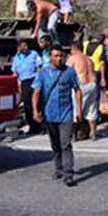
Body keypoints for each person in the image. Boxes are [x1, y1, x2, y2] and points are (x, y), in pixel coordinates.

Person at [32, 46, 82, 186]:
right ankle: (58, 168)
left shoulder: (69, 72)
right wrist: (35, 111)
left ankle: (68, 173)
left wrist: (79, 110)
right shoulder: (43, 73)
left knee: (65, 143)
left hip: (66, 114)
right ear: (50, 58)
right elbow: (36, 92)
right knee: (55, 144)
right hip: (49, 115)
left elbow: (77, 90)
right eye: (56, 56)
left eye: (61, 56)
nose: (59, 59)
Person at [12, 39, 43, 134]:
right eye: (23, 46)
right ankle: (32, 126)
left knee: (37, 103)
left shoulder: (33, 54)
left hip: (34, 79)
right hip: (24, 82)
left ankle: (40, 126)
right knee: (27, 105)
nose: (26, 47)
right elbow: (15, 72)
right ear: (19, 47)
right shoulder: (17, 58)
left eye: (26, 45)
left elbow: (40, 66)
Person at [68, 42, 99, 140]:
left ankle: (74, 134)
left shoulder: (73, 58)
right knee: (91, 109)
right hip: (93, 84)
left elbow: (67, 72)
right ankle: (93, 133)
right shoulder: (89, 59)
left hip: (82, 85)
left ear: (74, 48)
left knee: (77, 109)